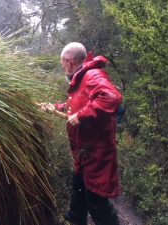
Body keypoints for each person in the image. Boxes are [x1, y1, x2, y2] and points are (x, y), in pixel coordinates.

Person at [42, 42, 122, 225]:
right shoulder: (82, 77)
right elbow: (76, 106)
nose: (62, 67)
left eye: (62, 63)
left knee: (96, 200)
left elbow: (112, 97)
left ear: (69, 61)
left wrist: (81, 115)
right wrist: (53, 107)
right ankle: (75, 220)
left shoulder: (92, 76)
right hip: (85, 154)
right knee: (78, 189)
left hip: (97, 155)